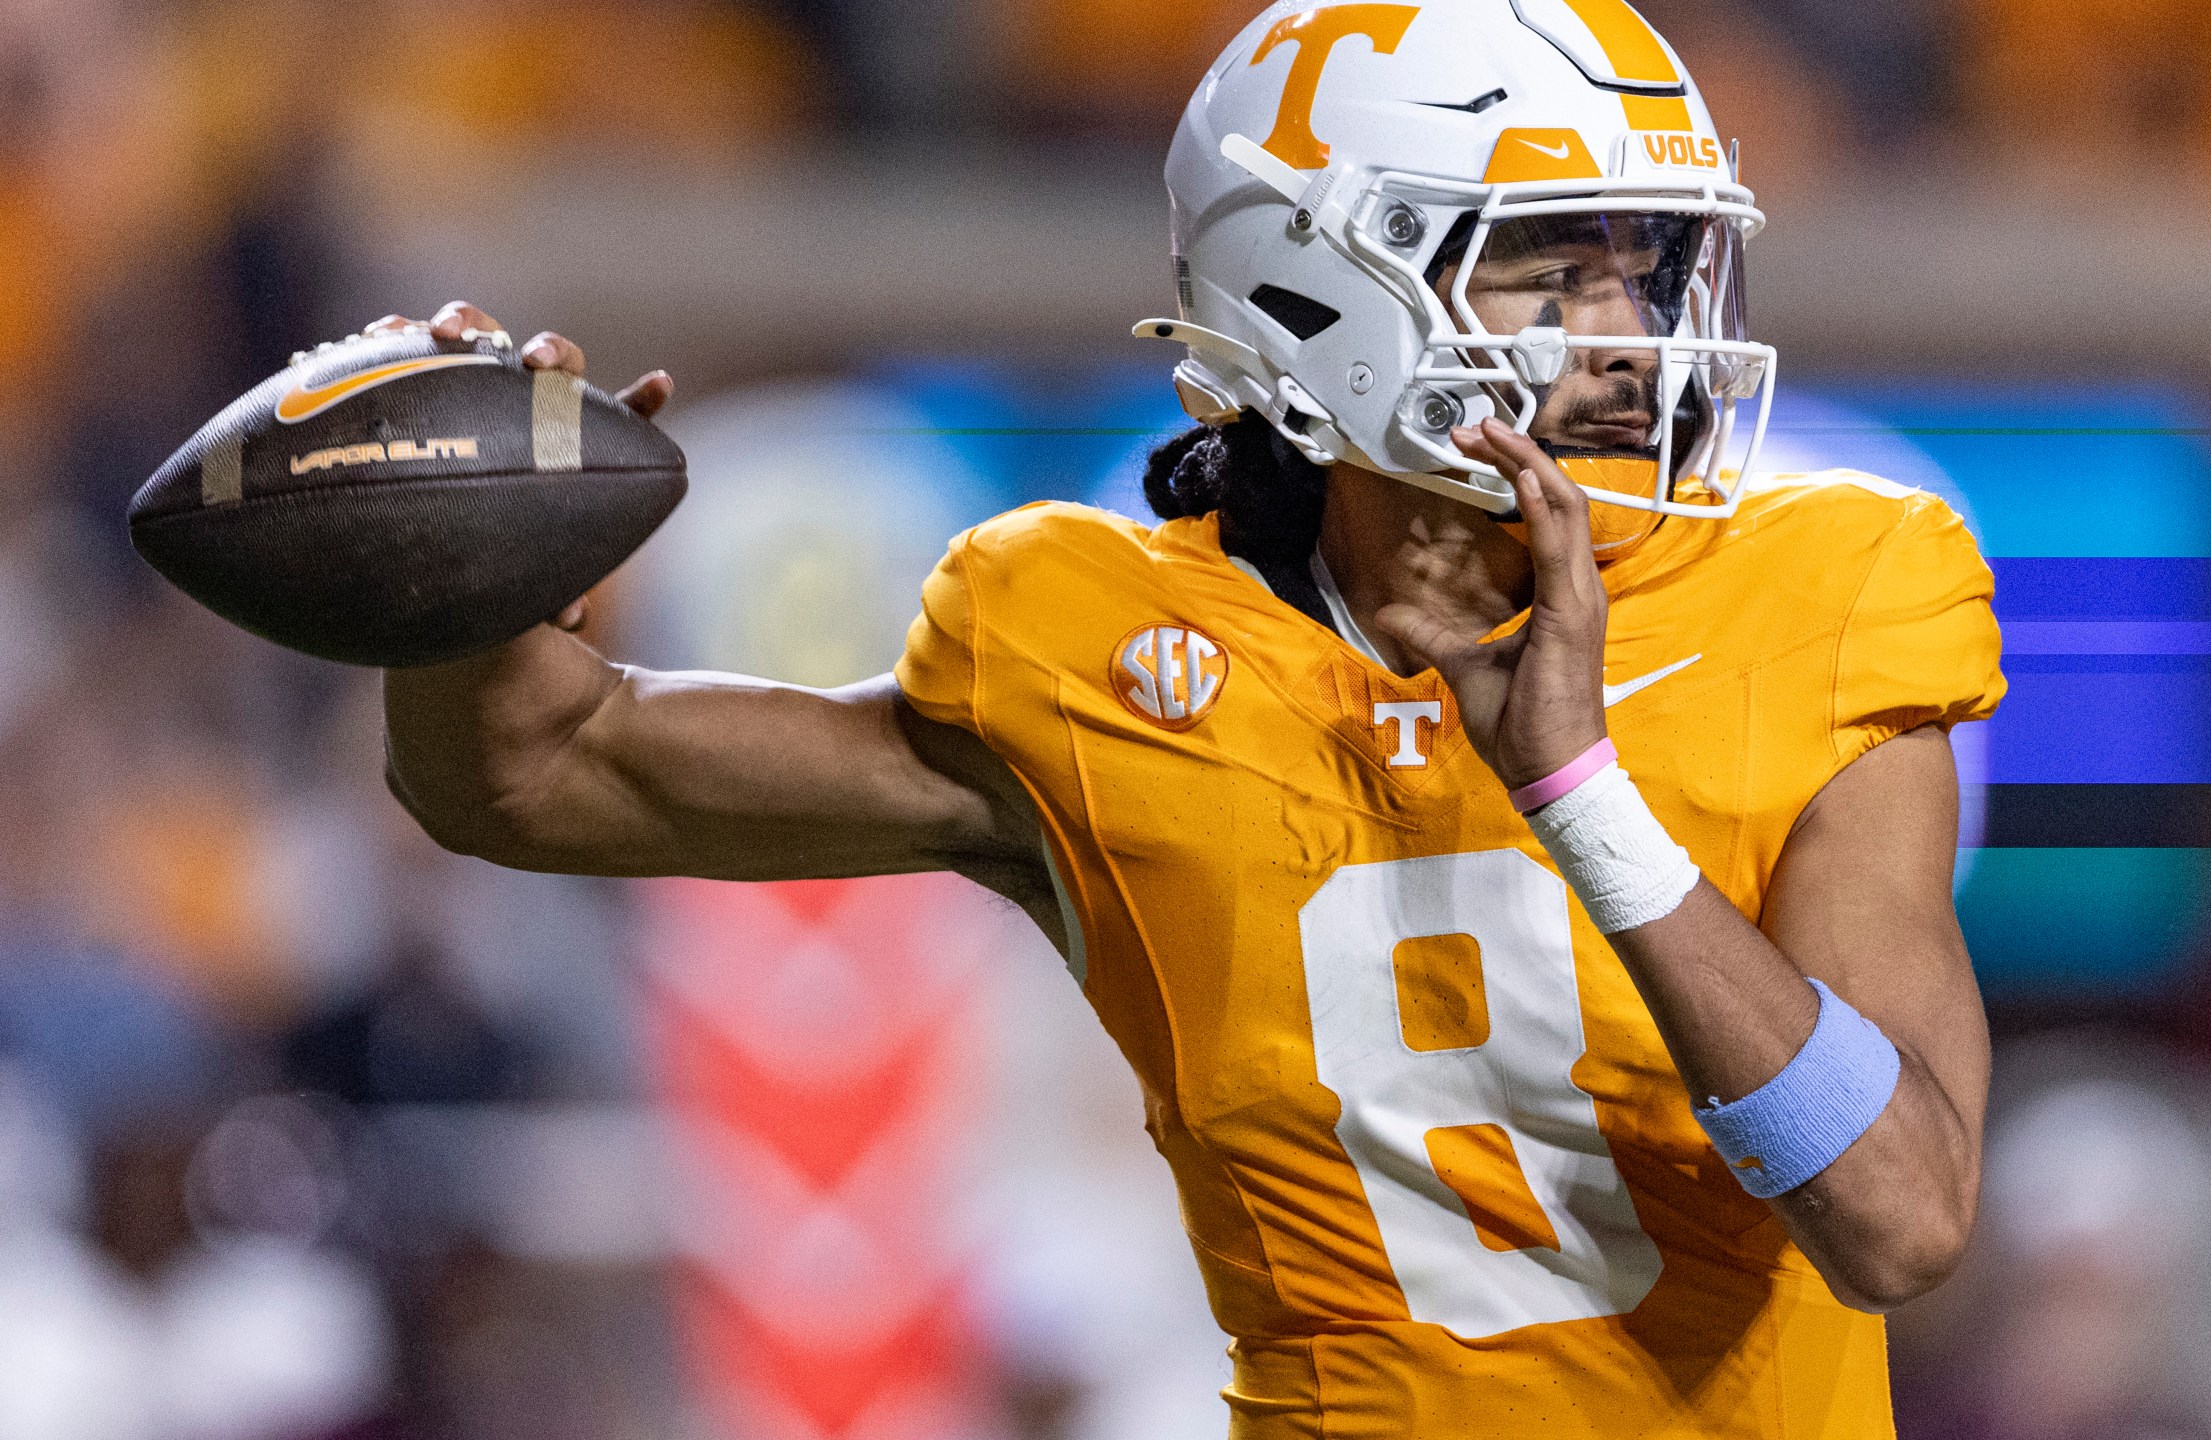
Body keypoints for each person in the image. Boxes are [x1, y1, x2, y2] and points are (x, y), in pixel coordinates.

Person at [380, 0, 2004, 1432]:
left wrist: (1579, 792)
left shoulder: (1828, 588)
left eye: (1642, 265)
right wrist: (462, 571)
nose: (1632, 335)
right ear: (1318, 292)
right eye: (1549, 267)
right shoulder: (1100, 648)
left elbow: (1904, 1220)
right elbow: (533, 778)